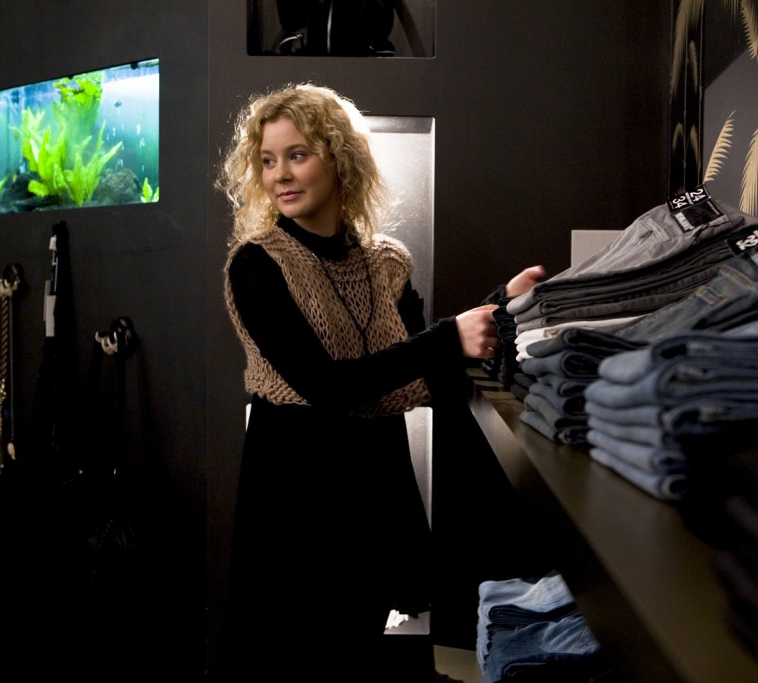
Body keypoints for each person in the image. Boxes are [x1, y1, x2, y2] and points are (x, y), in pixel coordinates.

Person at [217, 82, 546, 681]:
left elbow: (424, 367)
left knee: (358, 653)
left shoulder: (386, 261)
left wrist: (498, 309)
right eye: (267, 160)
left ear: (339, 159)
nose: (279, 175)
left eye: (297, 154)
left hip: (371, 486)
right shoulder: (257, 263)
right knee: (290, 659)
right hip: (295, 493)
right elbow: (329, 387)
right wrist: (452, 334)